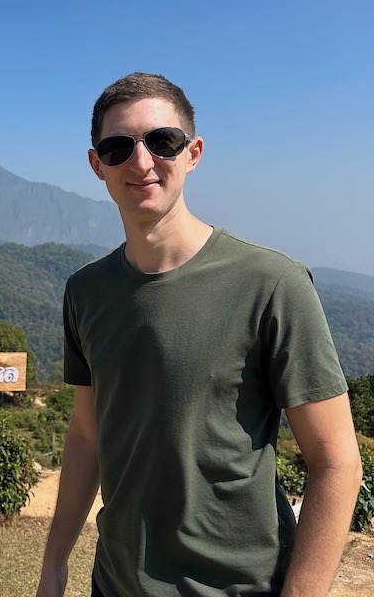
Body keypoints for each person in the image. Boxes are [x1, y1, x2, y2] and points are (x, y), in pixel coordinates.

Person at [36, 72, 363, 597]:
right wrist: (53, 566)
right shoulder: (86, 292)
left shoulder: (272, 284)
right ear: (97, 165)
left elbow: (337, 461)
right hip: (114, 583)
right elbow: (85, 434)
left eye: (162, 141)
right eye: (118, 147)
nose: (141, 162)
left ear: (193, 152)